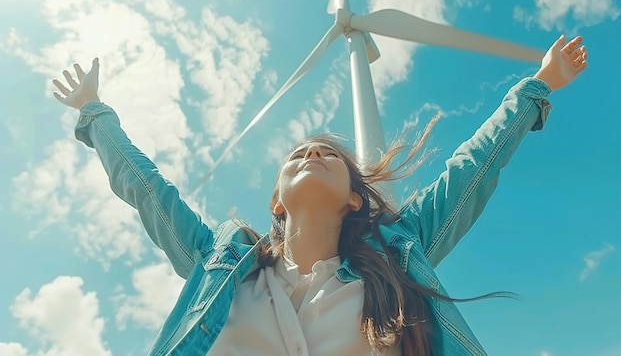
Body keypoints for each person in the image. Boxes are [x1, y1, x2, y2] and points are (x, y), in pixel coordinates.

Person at [53, 35, 588, 355]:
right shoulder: (218, 264)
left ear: (355, 198)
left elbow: (471, 168)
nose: (311, 154)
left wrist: (536, 86)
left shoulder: (400, 253)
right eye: (297, 155)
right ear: (277, 201)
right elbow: (149, 191)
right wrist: (95, 113)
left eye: (329, 154)